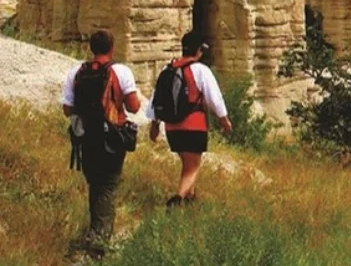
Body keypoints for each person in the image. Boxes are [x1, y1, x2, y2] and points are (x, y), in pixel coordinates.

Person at [62, 30, 141, 253]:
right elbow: (134, 107)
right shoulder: (121, 71)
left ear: (91, 48)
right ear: (112, 47)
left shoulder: (76, 72)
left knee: (96, 184)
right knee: (107, 185)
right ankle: (99, 242)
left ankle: (96, 232)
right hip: (112, 138)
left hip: (85, 138)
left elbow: (67, 109)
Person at [148, 31, 232, 206]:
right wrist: (224, 120)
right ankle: (177, 199)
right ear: (199, 50)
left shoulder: (168, 69)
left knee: (187, 164)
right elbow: (214, 99)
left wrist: (154, 124)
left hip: (171, 128)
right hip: (194, 126)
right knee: (192, 168)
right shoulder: (201, 70)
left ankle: (190, 200)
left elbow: (157, 98)